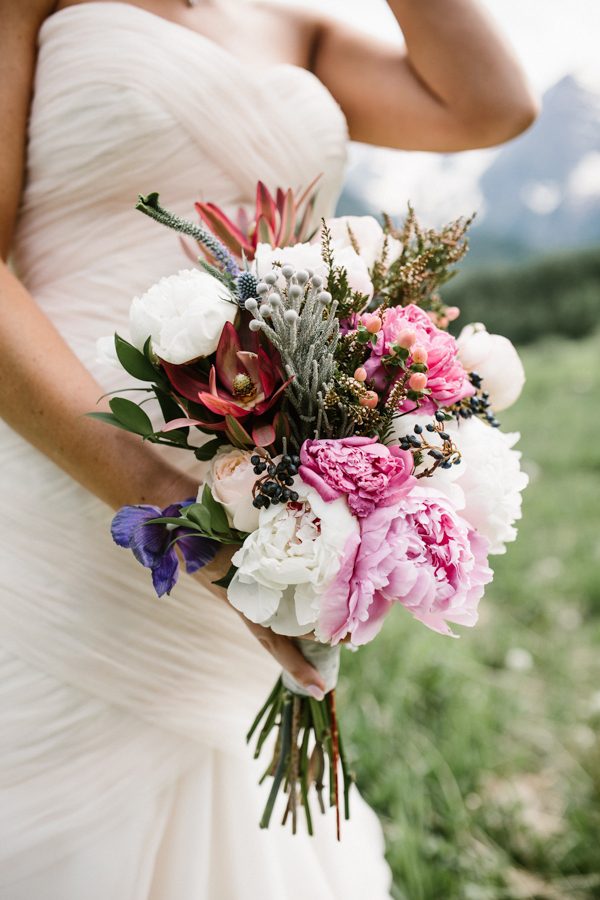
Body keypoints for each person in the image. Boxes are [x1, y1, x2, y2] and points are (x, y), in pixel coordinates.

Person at [0, 1, 537, 897]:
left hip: (255, 482)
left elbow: (491, 103)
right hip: (60, 475)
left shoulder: (297, 24)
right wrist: (176, 518)